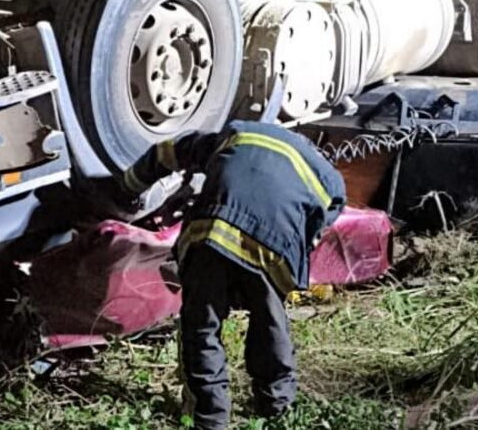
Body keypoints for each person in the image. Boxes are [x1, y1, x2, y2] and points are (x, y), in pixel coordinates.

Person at [120, 120, 346, 430]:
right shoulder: (331, 182)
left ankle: (210, 419)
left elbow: (170, 151)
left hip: (211, 228)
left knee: (201, 326)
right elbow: (309, 234)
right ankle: (276, 406)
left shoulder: (240, 132)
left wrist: (129, 186)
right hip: (271, 246)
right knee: (270, 321)